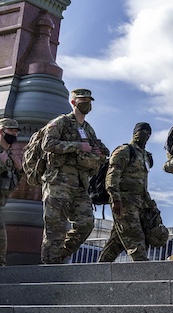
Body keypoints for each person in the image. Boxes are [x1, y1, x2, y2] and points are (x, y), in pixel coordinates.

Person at [41, 88, 109, 264]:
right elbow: (47, 144)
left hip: (80, 185)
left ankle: (63, 253)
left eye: (89, 100)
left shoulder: (88, 129)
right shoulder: (61, 122)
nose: (87, 103)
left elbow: (100, 150)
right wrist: (77, 146)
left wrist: (98, 152)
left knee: (86, 223)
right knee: (55, 227)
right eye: (83, 100)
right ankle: (49, 268)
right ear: (73, 102)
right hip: (58, 181)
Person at [98, 122, 156, 262]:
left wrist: (151, 205)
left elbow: (143, 185)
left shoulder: (145, 156)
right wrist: (115, 199)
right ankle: (145, 273)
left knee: (116, 243)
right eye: (141, 131)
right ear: (134, 133)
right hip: (124, 203)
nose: (145, 135)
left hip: (140, 204)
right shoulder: (124, 151)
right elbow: (112, 176)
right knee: (135, 238)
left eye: (148, 133)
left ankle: (99, 270)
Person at [0, 118, 21, 266]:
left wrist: (19, 170)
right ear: (1, 131)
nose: (14, 134)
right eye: (11, 131)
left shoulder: (10, 155)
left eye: (16, 131)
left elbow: (11, 182)